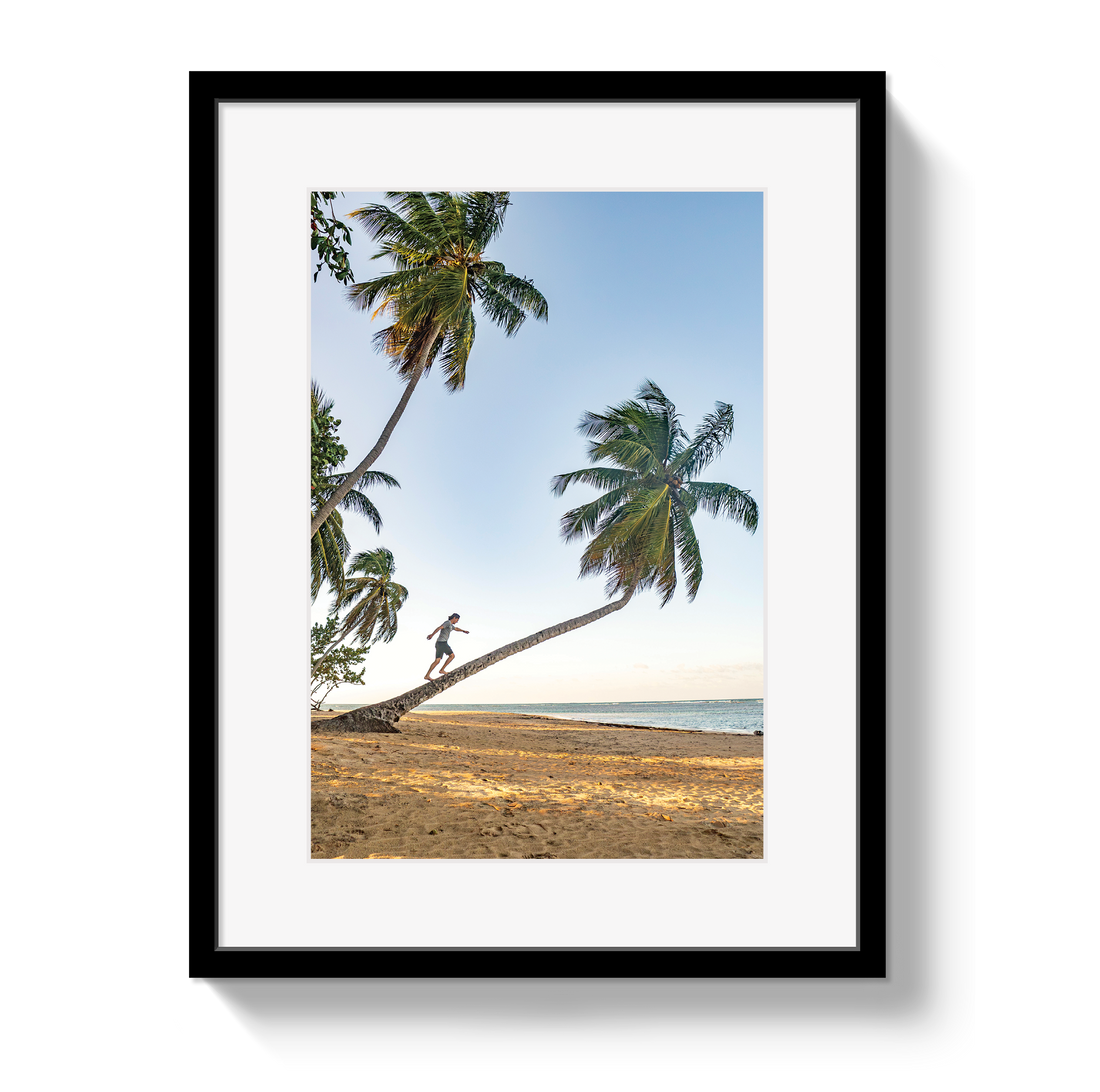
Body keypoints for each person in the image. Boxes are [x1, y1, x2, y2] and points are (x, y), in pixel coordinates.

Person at [425, 613, 469, 680]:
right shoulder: (448, 623)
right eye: (457, 620)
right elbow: (440, 627)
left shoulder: (451, 625)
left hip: (439, 643)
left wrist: (463, 631)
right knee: (452, 656)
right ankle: (442, 670)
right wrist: (432, 635)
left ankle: (427, 676)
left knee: (437, 660)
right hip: (442, 643)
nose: (457, 621)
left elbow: (456, 628)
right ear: (454, 618)